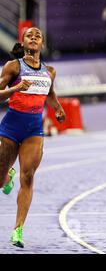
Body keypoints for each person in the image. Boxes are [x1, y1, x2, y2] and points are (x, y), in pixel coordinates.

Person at [0, 27, 66, 248]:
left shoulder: (50, 71)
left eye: (38, 35)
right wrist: (16, 88)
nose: (34, 37)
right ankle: (6, 176)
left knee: (27, 177)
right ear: (24, 41)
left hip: (34, 130)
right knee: (0, 180)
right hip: (10, 127)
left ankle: (18, 230)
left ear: (42, 43)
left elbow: (50, 93)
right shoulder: (14, 66)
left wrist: (57, 108)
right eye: (30, 35)